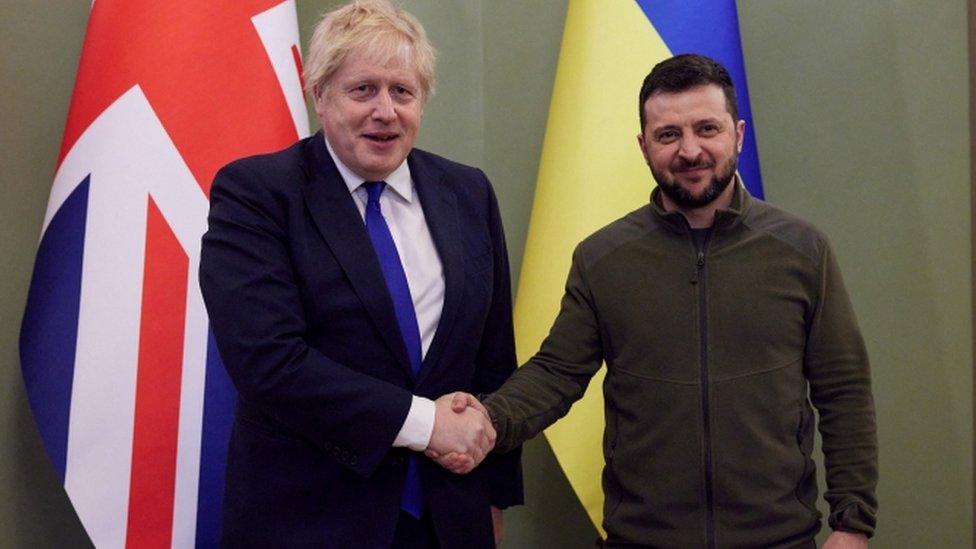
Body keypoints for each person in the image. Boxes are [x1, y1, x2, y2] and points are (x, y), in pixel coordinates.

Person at [436, 54, 878, 548]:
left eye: (706, 129)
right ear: (644, 146)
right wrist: (487, 421)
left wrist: (852, 523)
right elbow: (556, 373)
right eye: (669, 135)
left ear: (738, 134)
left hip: (780, 539)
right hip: (641, 540)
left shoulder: (803, 251)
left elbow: (844, 392)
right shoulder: (602, 259)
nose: (690, 150)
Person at [199, 1, 521, 546]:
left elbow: (492, 359)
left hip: (449, 520)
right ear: (320, 96)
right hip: (310, 519)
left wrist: (493, 500)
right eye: (362, 89)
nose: (385, 111)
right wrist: (427, 424)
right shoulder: (257, 194)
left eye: (403, 91)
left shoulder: (468, 192)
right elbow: (268, 361)